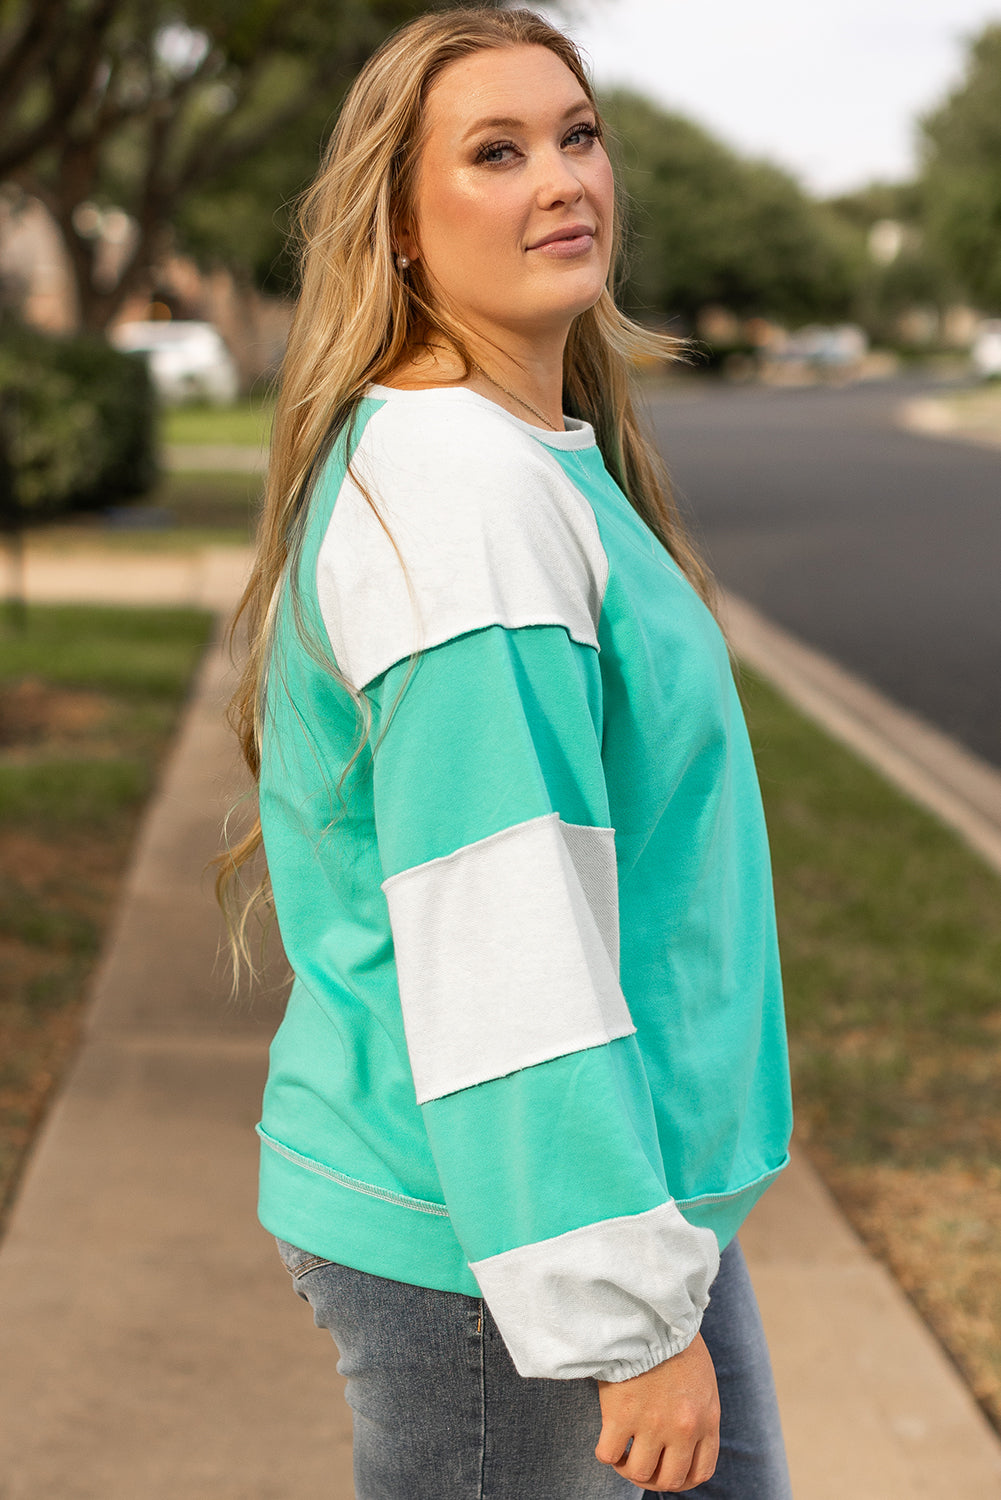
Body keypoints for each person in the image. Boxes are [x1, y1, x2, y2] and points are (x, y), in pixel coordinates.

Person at [220, 7, 794, 1496]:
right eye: (495, 151)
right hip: (505, 1240)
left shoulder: (516, 454)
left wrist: (643, 1268)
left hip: (613, 1193)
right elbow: (500, 922)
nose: (560, 179)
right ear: (400, 229)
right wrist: (619, 1315)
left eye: (576, 134)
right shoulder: (462, 493)